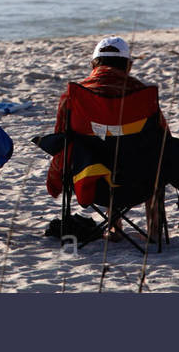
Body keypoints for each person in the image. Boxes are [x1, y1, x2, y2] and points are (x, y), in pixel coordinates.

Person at [46, 35, 165, 240]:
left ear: (93, 64)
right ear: (128, 65)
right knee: (152, 154)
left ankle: (115, 228)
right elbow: (163, 137)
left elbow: (61, 139)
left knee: (100, 151)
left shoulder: (75, 96)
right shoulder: (142, 95)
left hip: (92, 181)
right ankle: (154, 231)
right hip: (140, 180)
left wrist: (57, 178)